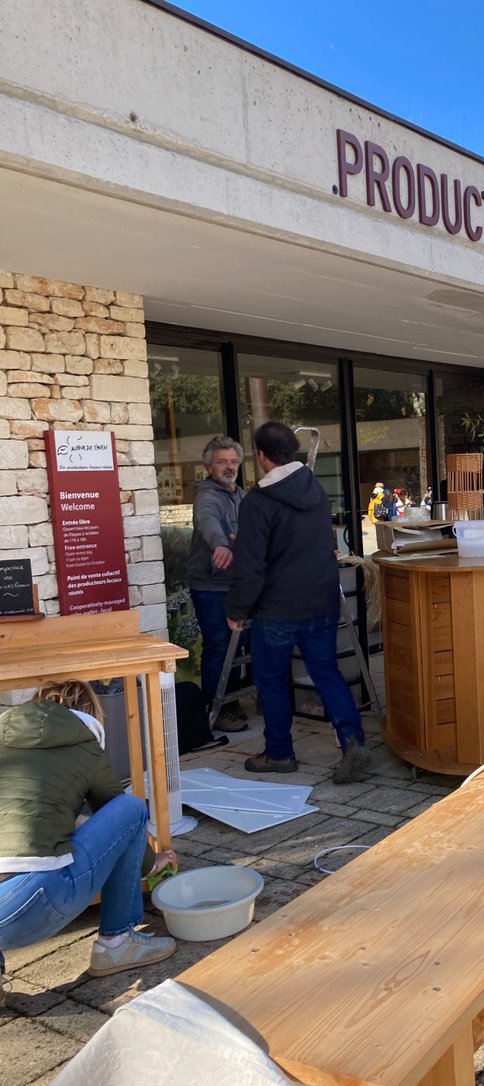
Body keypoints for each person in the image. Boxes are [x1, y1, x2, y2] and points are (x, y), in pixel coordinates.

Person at [0, 680, 177, 991]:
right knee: (130, 807)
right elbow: (120, 818)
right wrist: (153, 863)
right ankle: (116, 942)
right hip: (30, 903)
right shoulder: (84, 745)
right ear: (89, 714)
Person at [226, 421, 370, 783]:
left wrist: (237, 609)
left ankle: (278, 753)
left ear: (260, 455)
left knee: (271, 680)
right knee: (326, 672)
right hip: (321, 599)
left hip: (277, 608)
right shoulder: (316, 490)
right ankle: (352, 740)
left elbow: (251, 565)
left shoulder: (257, 502)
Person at [187, 434, 248, 732]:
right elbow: (208, 521)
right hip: (210, 587)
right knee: (217, 646)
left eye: (234, 461)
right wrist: (221, 545)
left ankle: (231, 701)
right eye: (222, 461)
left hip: (236, 584)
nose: (229, 466)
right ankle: (216, 707)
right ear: (209, 466)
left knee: (237, 648)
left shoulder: (240, 494)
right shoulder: (207, 495)